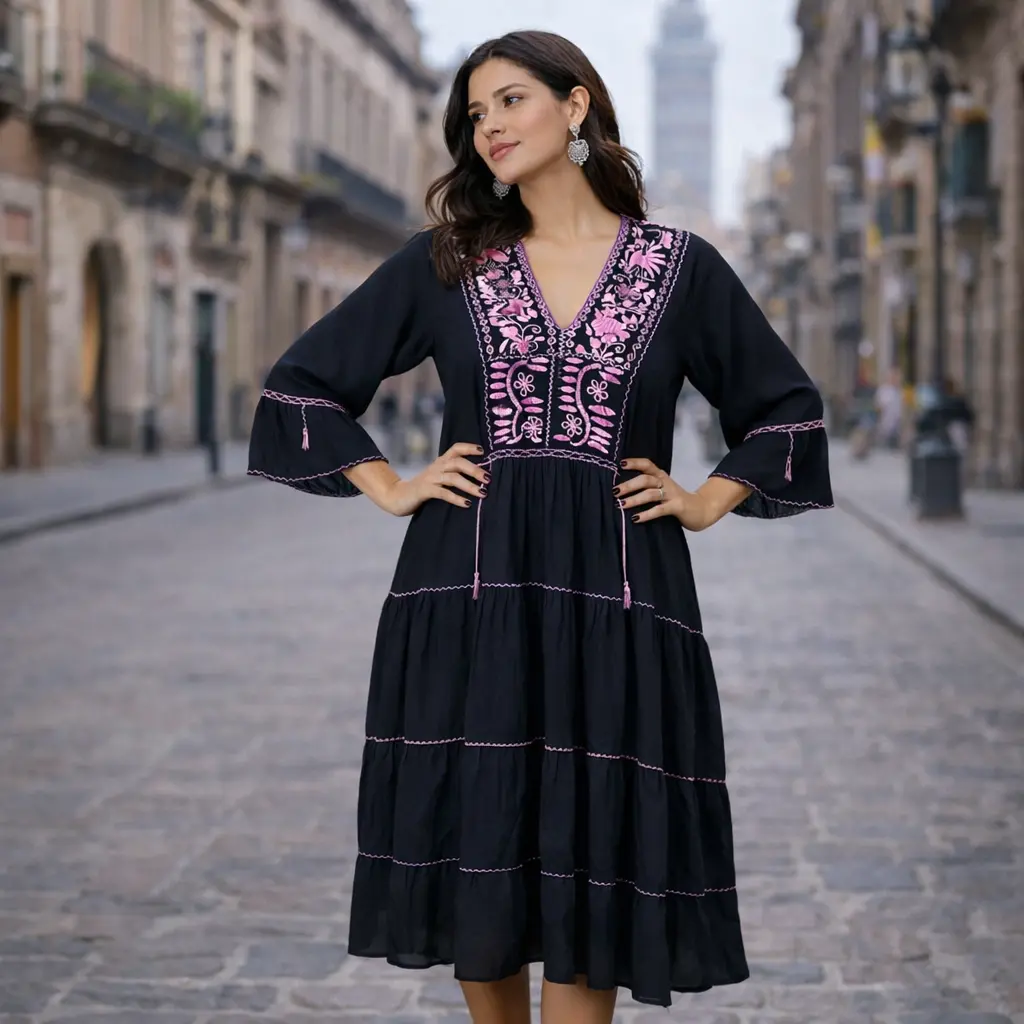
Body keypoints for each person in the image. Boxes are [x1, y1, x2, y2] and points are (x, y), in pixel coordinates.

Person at [248, 30, 833, 1023]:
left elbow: (784, 407)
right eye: (474, 115)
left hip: (621, 601)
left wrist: (705, 498)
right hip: (469, 593)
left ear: (576, 108)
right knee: (479, 839)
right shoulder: (447, 263)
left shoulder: (678, 268)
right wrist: (388, 483)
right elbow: (302, 385)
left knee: (593, 850)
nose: (490, 128)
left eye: (510, 101)